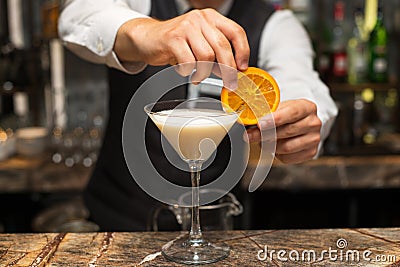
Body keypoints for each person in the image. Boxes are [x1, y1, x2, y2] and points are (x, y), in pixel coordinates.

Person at [58, 0, 338, 231]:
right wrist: (149, 32)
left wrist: (302, 122)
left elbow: (300, 84)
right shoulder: (140, 4)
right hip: (119, 224)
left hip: (217, 231)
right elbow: (77, 16)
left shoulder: (275, 24)